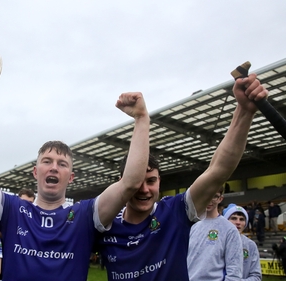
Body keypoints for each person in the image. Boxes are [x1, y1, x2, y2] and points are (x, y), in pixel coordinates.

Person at [0, 89, 150, 281]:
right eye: (47, 161)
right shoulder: (13, 210)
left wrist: (141, 119)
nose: (54, 167)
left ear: (70, 177)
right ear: (36, 172)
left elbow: (130, 183)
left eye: (62, 164)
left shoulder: (85, 215)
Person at [96, 73, 267, 281]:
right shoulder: (105, 222)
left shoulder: (174, 212)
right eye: (137, 182)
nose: (144, 189)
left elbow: (218, 171)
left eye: (151, 181)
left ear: (160, 182)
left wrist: (244, 112)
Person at [188, 187, 243, 280]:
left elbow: (235, 270)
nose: (209, 200)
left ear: (220, 199)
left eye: (214, 196)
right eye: (207, 195)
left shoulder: (229, 229)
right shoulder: (193, 226)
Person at [223, 204, 262, 281]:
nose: (238, 222)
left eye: (241, 219)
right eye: (234, 218)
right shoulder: (216, 243)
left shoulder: (250, 245)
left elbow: (256, 276)